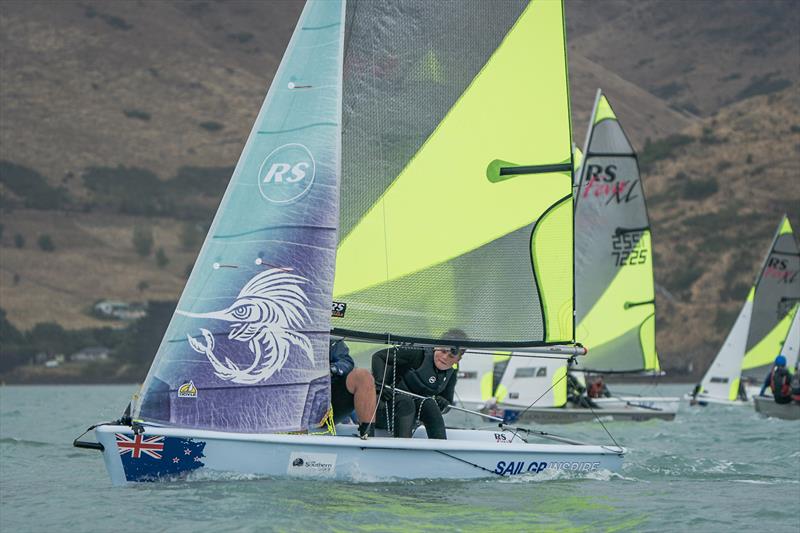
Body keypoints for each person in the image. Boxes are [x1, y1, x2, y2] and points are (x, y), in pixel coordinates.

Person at [371, 330, 466, 440]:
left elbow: (447, 405)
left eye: (451, 356)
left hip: (410, 417)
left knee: (430, 405)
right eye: (443, 351)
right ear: (436, 346)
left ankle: (440, 448)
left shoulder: (451, 375)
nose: (445, 357)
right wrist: (380, 384)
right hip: (383, 409)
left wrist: (443, 404)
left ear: (458, 359)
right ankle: (402, 449)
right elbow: (379, 356)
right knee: (406, 402)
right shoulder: (416, 353)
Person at [329, 338, 376, 438]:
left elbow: (346, 363)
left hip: (326, 404)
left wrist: (332, 369)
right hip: (292, 402)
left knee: (363, 376)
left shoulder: (329, 339)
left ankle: (367, 436)